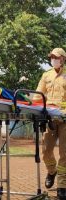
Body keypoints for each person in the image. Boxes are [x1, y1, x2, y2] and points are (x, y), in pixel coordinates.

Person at [33, 48, 66, 199]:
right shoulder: (46, 75)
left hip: (65, 119)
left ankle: (62, 185)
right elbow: (37, 95)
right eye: (52, 57)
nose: (53, 59)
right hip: (50, 119)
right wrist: (32, 104)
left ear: (63, 59)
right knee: (46, 151)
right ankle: (52, 171)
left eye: (56, 57)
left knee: (64, 154)